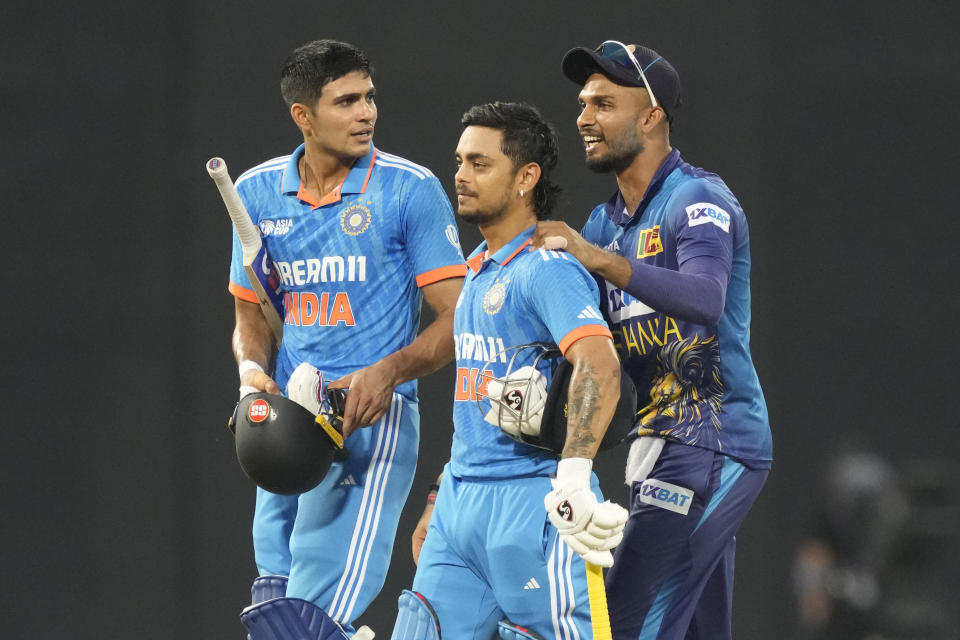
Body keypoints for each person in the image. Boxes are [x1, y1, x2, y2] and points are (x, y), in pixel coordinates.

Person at [528, 41, 773, 639]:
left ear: (652, 116)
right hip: (658, 448)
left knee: (622, 623)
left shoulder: (697, 200)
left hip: (714, 444)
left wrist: (598, 262)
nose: (584, 117)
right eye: (583, 103)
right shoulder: (602, 225)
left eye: (604, 103)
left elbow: (704, 298)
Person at [228, 39, 466, 638]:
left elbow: (459, 321)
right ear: (302, 116)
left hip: (368, 429)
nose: (367, 113)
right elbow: (251, 318)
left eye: (369, 98)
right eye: (346, 101)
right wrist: (250, 371)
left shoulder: (409, 190)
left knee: (308, 622)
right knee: (272, 610)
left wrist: (387, 372)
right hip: (286, 429)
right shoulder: (255, 194)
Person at [390, 101, 628, 640]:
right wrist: (440, 496)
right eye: (459, 162)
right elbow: (474, 399)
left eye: (479, 164)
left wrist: (573, 477)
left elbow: (600, 363)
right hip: (461, 508)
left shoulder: (548, 268)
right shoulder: (475, 271)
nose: (460, 175)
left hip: (536, 506)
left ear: (525, 178)